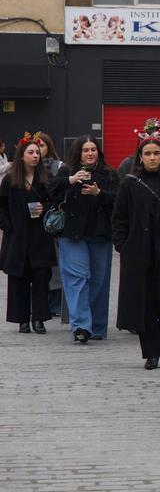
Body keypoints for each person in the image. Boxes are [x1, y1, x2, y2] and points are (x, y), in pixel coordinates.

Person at [112, 133, 160, 369]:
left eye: (156, 153)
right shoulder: (130, 184)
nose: (152, 158)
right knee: (144, 303)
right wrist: (122, 245)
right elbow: (119, 217)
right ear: (140, 157)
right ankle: (151, 352)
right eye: (148, 154)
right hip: (138, 252)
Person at [50, 135, 115, 343]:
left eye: (93, 149)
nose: (90, 153)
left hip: (99, 233)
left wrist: (99, 193)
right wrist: (70, 180)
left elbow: (119, 201)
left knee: (98, 281)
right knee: (77, 278)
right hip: (72, 233)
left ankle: (97, 326)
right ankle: (81, 326)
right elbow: (50, 190)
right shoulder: (67, 171)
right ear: (78, 153)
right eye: (85, 150)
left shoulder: (109, 173)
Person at [1, 133, 56, 333]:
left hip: (40, 236)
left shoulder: (46, 178)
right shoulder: (10, 180)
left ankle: (39, 318)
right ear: (21, 155)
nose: (35, 156)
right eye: (30, 152)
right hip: (17, 237)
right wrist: (8, 227)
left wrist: (45, 207)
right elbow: (1, 206)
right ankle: (21, 319)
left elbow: (55, 202)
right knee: (19, 279)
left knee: (41, 278)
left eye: (37, 153)